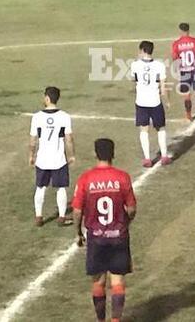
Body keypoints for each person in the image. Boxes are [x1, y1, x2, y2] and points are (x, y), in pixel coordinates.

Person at [72, 138, 136, 322]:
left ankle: (101, 320)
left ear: (95, 154)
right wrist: (125, 223)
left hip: (96, 238)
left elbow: (77, 211)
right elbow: (131, 209)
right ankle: (116, 320)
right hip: (118, 237)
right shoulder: (122, 177)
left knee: (98, 282)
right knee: (117, 281)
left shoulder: (86, 178)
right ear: (113, 154)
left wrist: (77, 233)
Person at [28, 86, 76, 226]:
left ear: (47, 98)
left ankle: (39, 216)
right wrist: (72, 155)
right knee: (61, 187)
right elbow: (69, 139)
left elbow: (32, 140)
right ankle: (61, 217)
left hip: (42, 159)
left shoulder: (37, 117)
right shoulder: (64, 117)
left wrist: (31, 155)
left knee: (40, 187)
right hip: (58, 160)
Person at [130, 41, 170, 167]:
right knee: (160, 128)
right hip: (155, 101)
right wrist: (168, 101)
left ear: (142, 50)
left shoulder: (135, 65)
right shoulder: (159, 65)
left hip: (141, 101)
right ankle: (164, 156)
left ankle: (147, 158)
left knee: (144, 128)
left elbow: (133, 80)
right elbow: (163, 87)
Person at [171, 23, 195, 122]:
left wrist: (178, 71)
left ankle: (188, 115)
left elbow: (175, 59)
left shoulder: (176, 44)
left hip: (184, 72)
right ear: (189, 30)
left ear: (180, 31)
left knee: (186, 95)